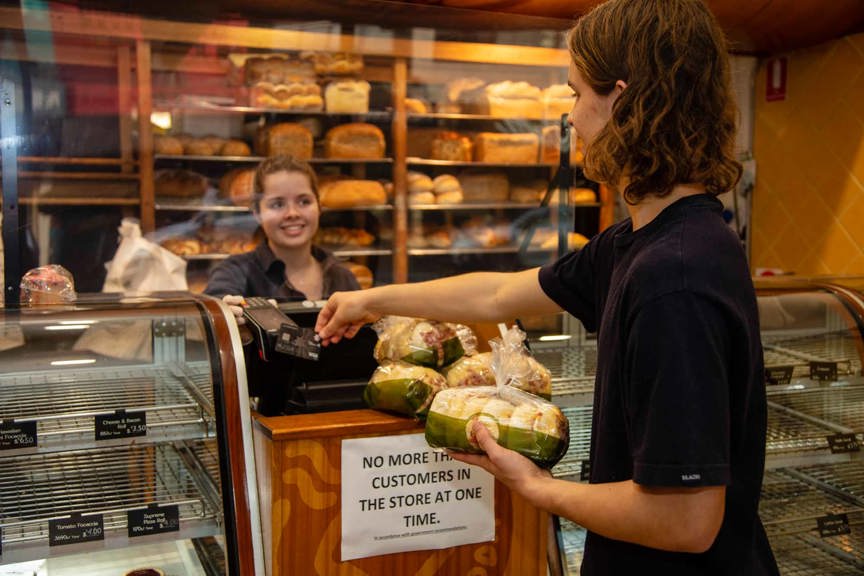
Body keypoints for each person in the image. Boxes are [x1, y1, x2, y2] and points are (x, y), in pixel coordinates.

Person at [315, 0, 779, 573]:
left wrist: (537, 487)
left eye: (577, 93)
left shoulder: (674, 277)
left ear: (627, 102)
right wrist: (371, 300)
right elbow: (499, 296)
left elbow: (686, 521)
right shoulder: (645, 240)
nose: (571, 117)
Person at [204, 155, 360, 314]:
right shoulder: (235, 272)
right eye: (277, 204)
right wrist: (224, 315)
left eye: (304, 201)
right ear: (257, 213)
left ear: (319, 207)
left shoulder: (343, 277)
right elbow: (213, 310)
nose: (292, 213)